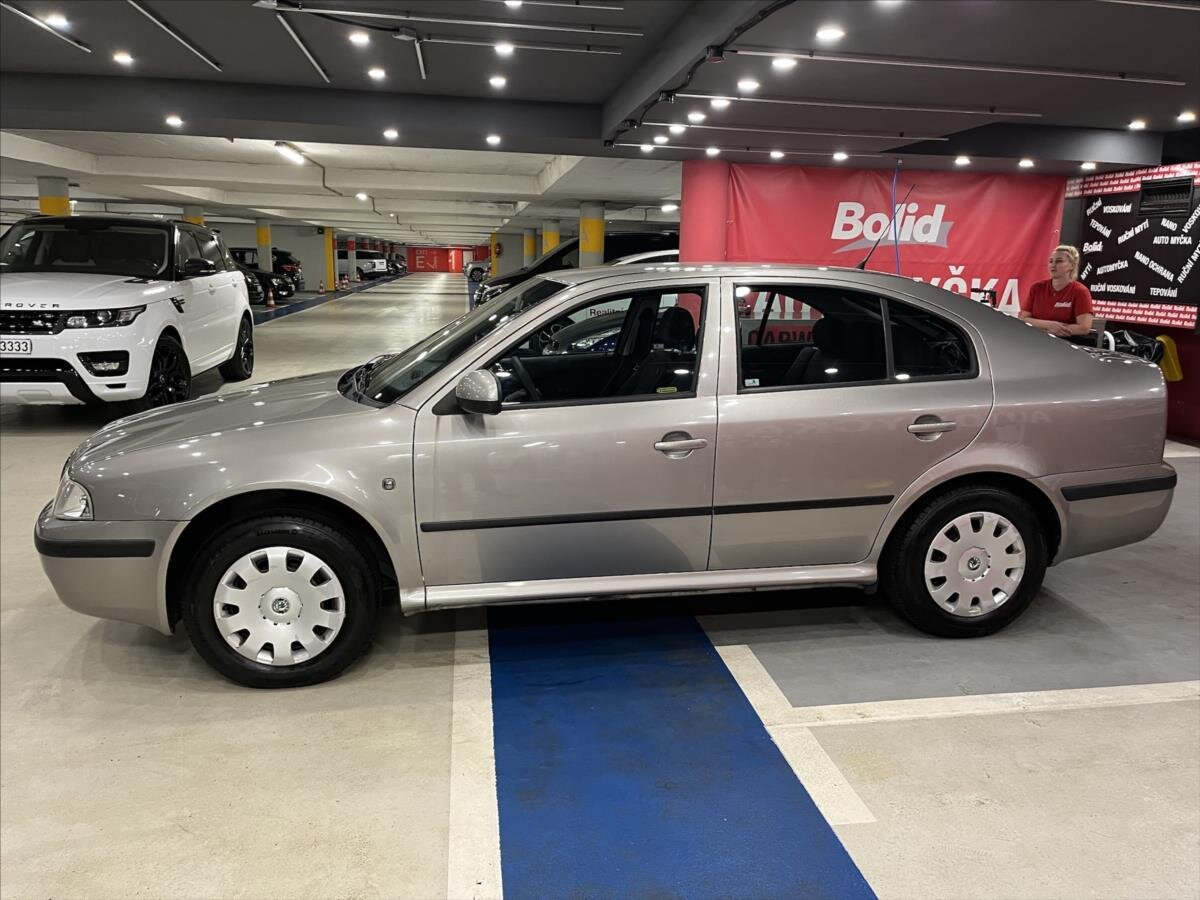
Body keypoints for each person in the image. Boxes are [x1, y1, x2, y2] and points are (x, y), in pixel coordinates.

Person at [1019, 244, 1094, 337]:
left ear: (1072, 265)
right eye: (1051, 261)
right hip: (1034, 339)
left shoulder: (1080, 291)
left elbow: (1084, 328)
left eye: (1059, 261)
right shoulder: (1037, 287)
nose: (1053, 265)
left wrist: (1055, 331)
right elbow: (1023, 318)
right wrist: (1049, 326)